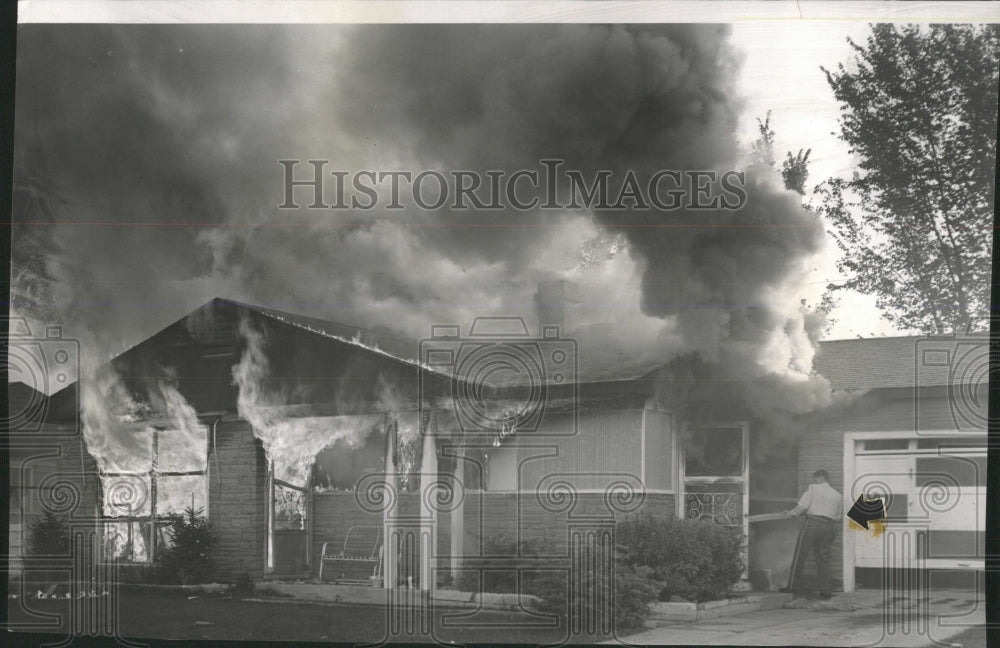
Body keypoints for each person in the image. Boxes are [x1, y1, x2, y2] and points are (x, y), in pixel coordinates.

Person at [780, 469, 842, 599]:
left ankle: (792, 587)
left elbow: (803, 506)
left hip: (812, 524)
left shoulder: (813, 488)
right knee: (824, 558)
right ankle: (825, 590)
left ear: (819, 478)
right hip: (828, 526)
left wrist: (790, 513)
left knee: (799, 556)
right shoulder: (837, 495)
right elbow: (837, 517)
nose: (814, 481)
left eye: (815, 479)